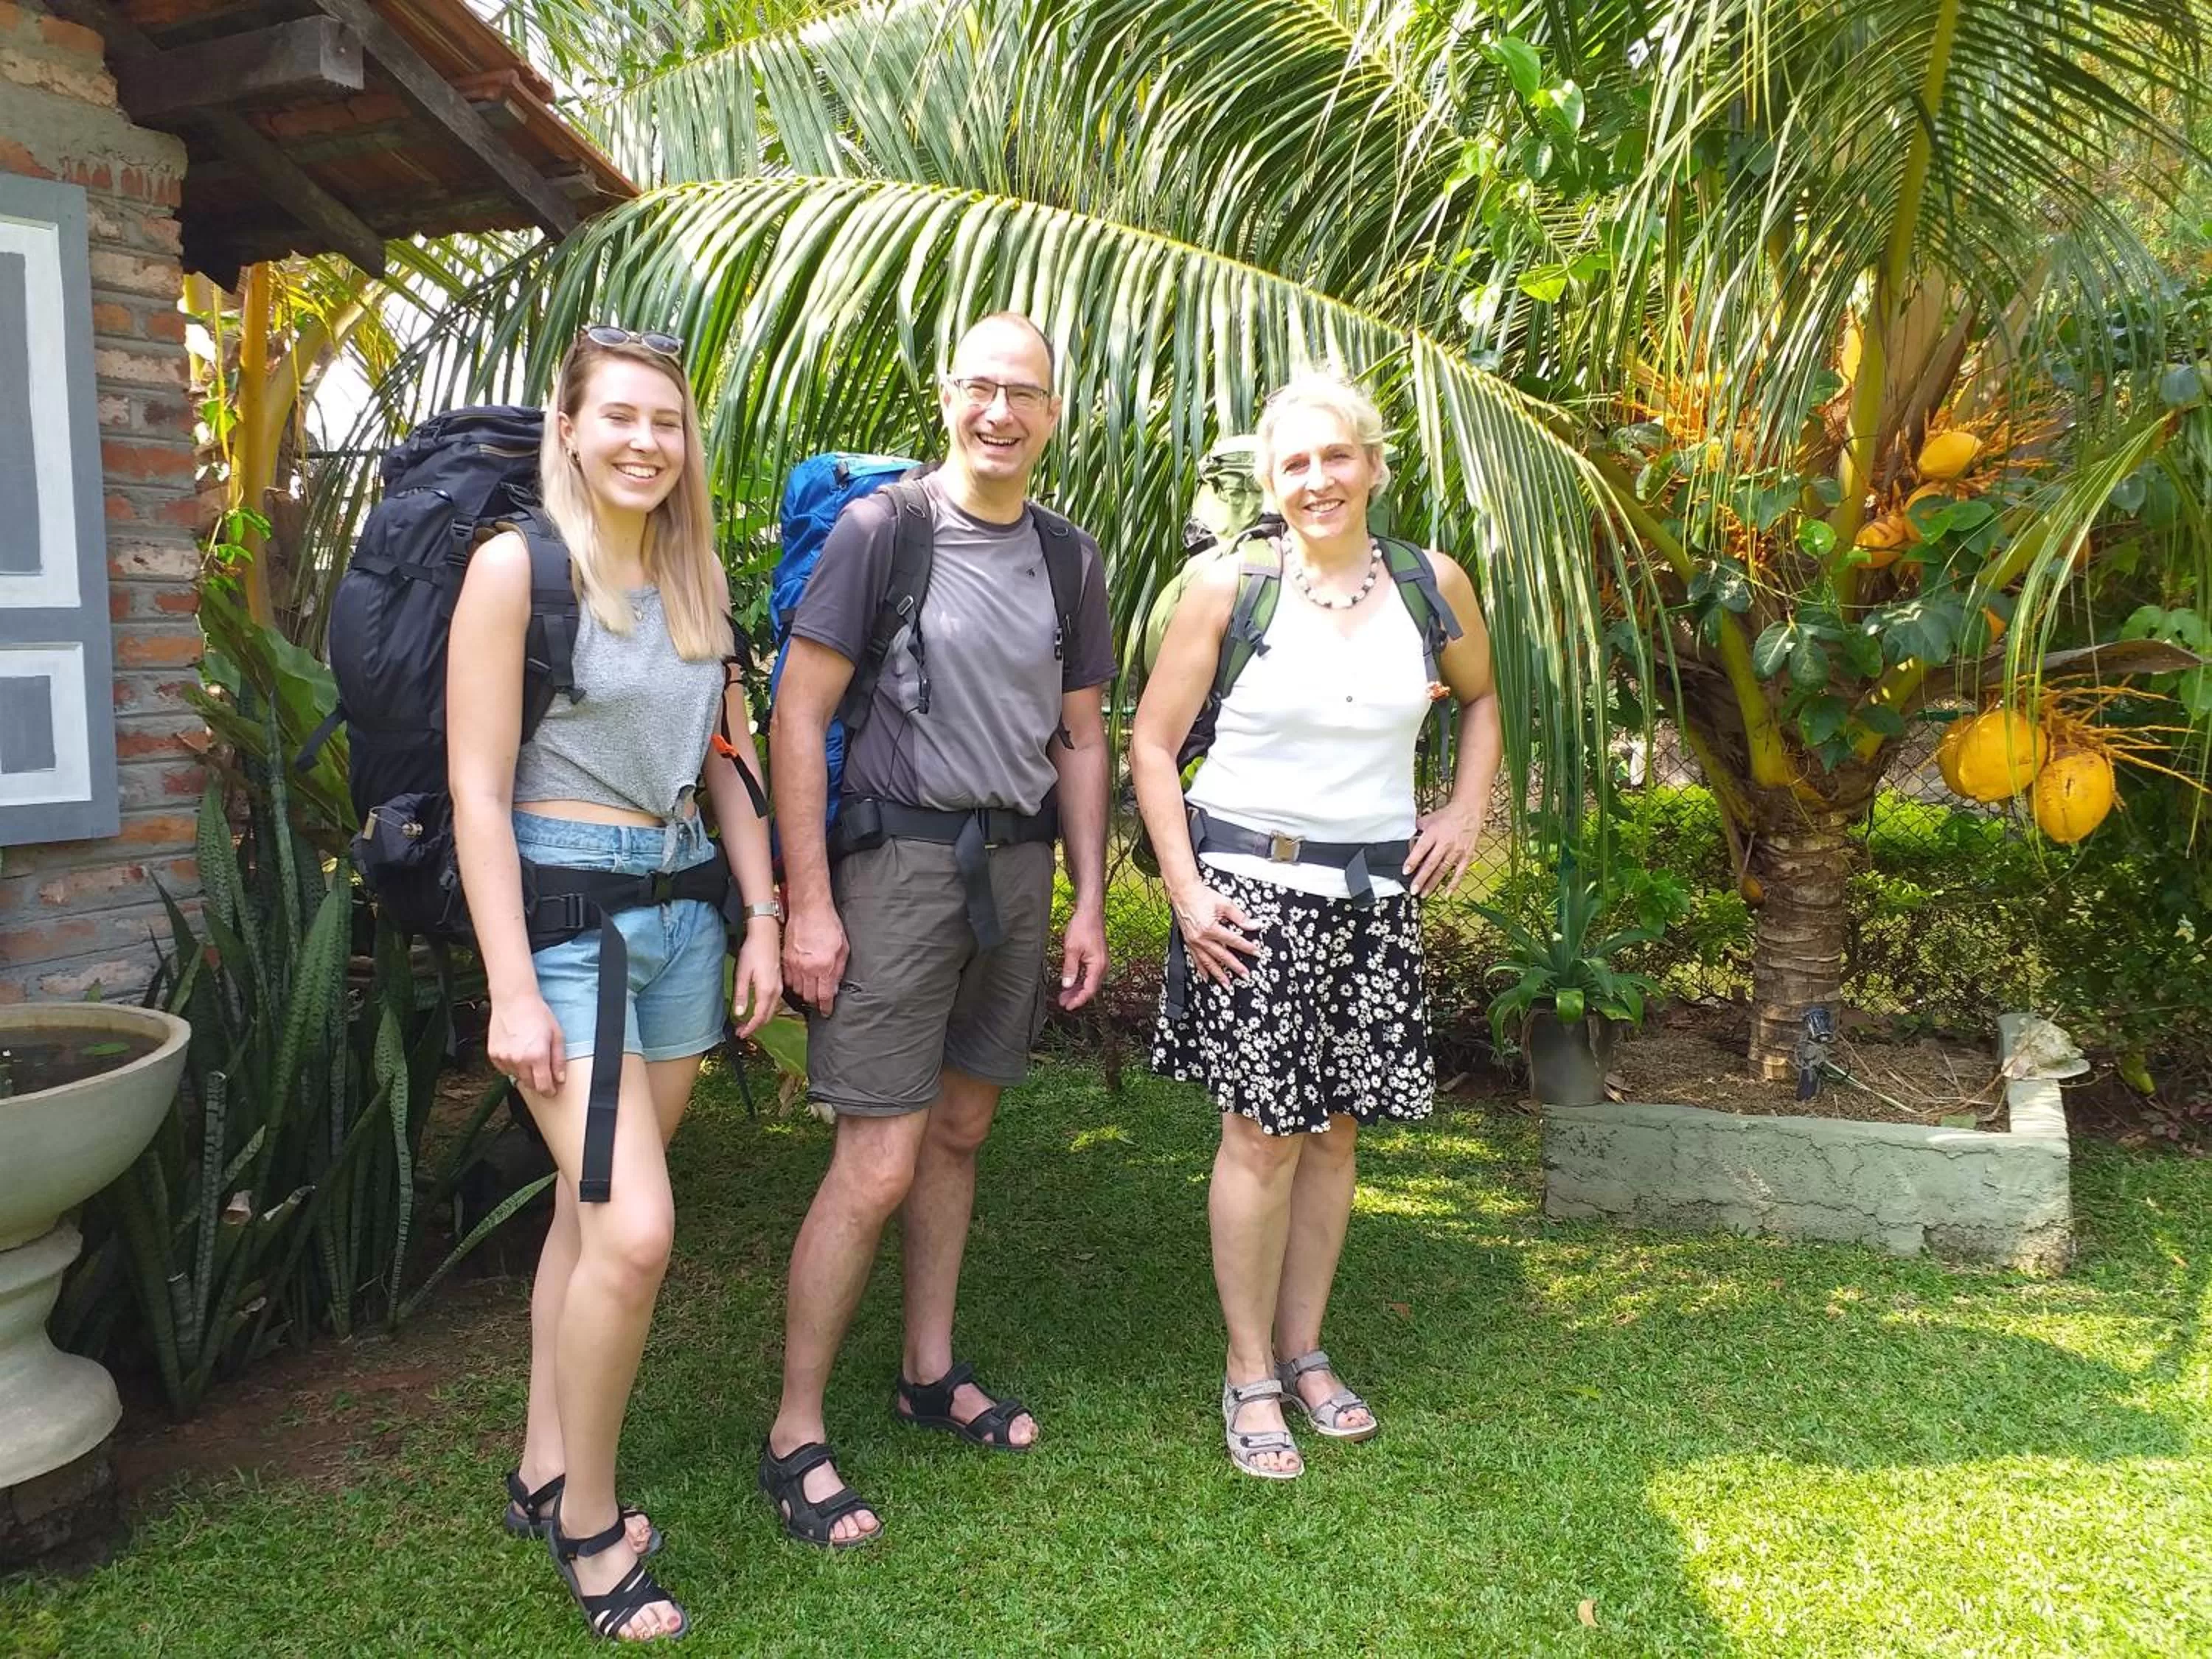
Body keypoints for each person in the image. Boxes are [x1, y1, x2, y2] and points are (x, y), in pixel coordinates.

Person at [448, 327, 782, 1639]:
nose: (647, 441)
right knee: (636, 1228)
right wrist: (509, 987)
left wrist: (763, 916)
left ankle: (542, 1464)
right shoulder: (516, 570)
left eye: (668, 421)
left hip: (684, 919)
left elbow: (727, 767)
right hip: (568, 923)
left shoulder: (699, 582)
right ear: (571, 429)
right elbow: (478, 792)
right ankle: (588, 1522)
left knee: (590, 1221)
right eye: (622, 417)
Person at [762, 312, 1113, 1546]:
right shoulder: (885, 531)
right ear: (946, 395)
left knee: (960, 1129)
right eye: (981, 387)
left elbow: (1081, 737)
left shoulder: (1070, 557)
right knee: (877, 1160)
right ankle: (794, 1430)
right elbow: (798, 713)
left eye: (1026, 393)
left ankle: (927, 1370)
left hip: (1015, 870)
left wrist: (1088, 896)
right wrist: (808, 903)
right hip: (898, 868)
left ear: (1054, 414)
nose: (1001, 412)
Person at [1130, 372, 1500, 1480]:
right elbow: (1152, 743)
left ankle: (1304, 1351)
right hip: (1251, 897)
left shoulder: (1432, 584)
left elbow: (1482, 697)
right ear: (1272, 482)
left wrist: (1465, 809)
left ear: (1374, 467)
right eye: (1295, 463)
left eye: (1337, 456)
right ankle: (1247, 1370)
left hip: (1374, 900)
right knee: (1260, 1134)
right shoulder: (1228, 588)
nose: (1318, 479)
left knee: (1335, 1130)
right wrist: (1186, 890)